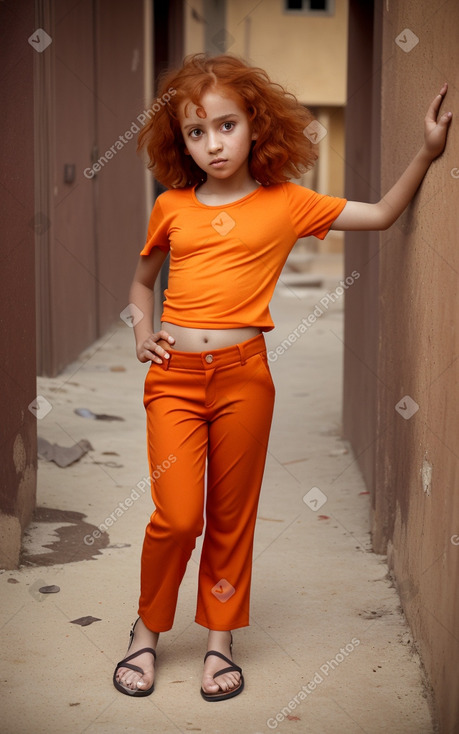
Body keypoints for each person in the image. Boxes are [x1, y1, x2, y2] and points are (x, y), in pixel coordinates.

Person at [113, 53, 451, 701]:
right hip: (174, 380)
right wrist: (138, 331)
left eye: (226, 125)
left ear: (254, 126)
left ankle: (218, 641)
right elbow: (140, 283)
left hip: (244, 379)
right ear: (177, 141)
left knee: (231, 517)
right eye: (195, 132)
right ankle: (146, 629)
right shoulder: (171, 209)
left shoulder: (287, 204)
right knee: (177, 517)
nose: (212, 143)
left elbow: (379, 215)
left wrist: (427, 152)